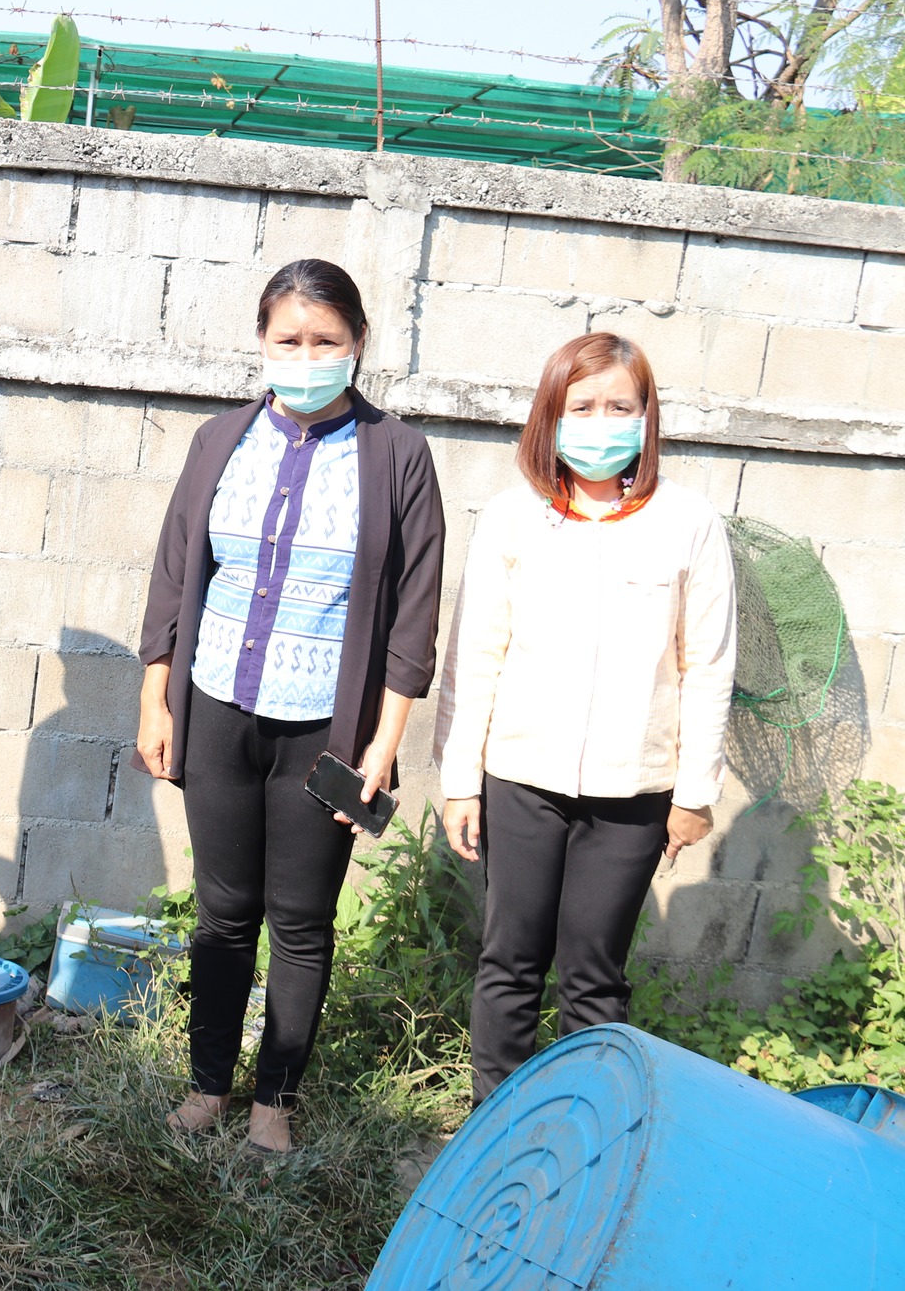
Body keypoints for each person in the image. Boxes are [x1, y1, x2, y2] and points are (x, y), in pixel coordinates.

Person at [135, 259, 446, 1153]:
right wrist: (157, 697)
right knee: (223, 911)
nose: (306, 356)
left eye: (327, 341)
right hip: (218, 704)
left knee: (301, 920)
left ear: (357, 347)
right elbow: (172, 573)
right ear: (262, 344)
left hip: (326, 729)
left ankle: (275, 1098)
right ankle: (207, 1085)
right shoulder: (220, 440)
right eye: (289, 340)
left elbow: (414, 616)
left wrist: (383, 745)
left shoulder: (398, 456)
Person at [435, 332, 736, 1104]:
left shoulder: (687, 522)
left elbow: (707, 663)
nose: (601, 421)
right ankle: (493, 1126)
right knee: (510, 961)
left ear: (646, 418)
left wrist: (694, 793)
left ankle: (579, 1127)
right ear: (551, 416)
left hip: (634, 791)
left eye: (620, 405)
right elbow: (477, 654)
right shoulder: (513, 519)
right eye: (583, 405)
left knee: (594, 976)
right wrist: (461, 780)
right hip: (522, 778)